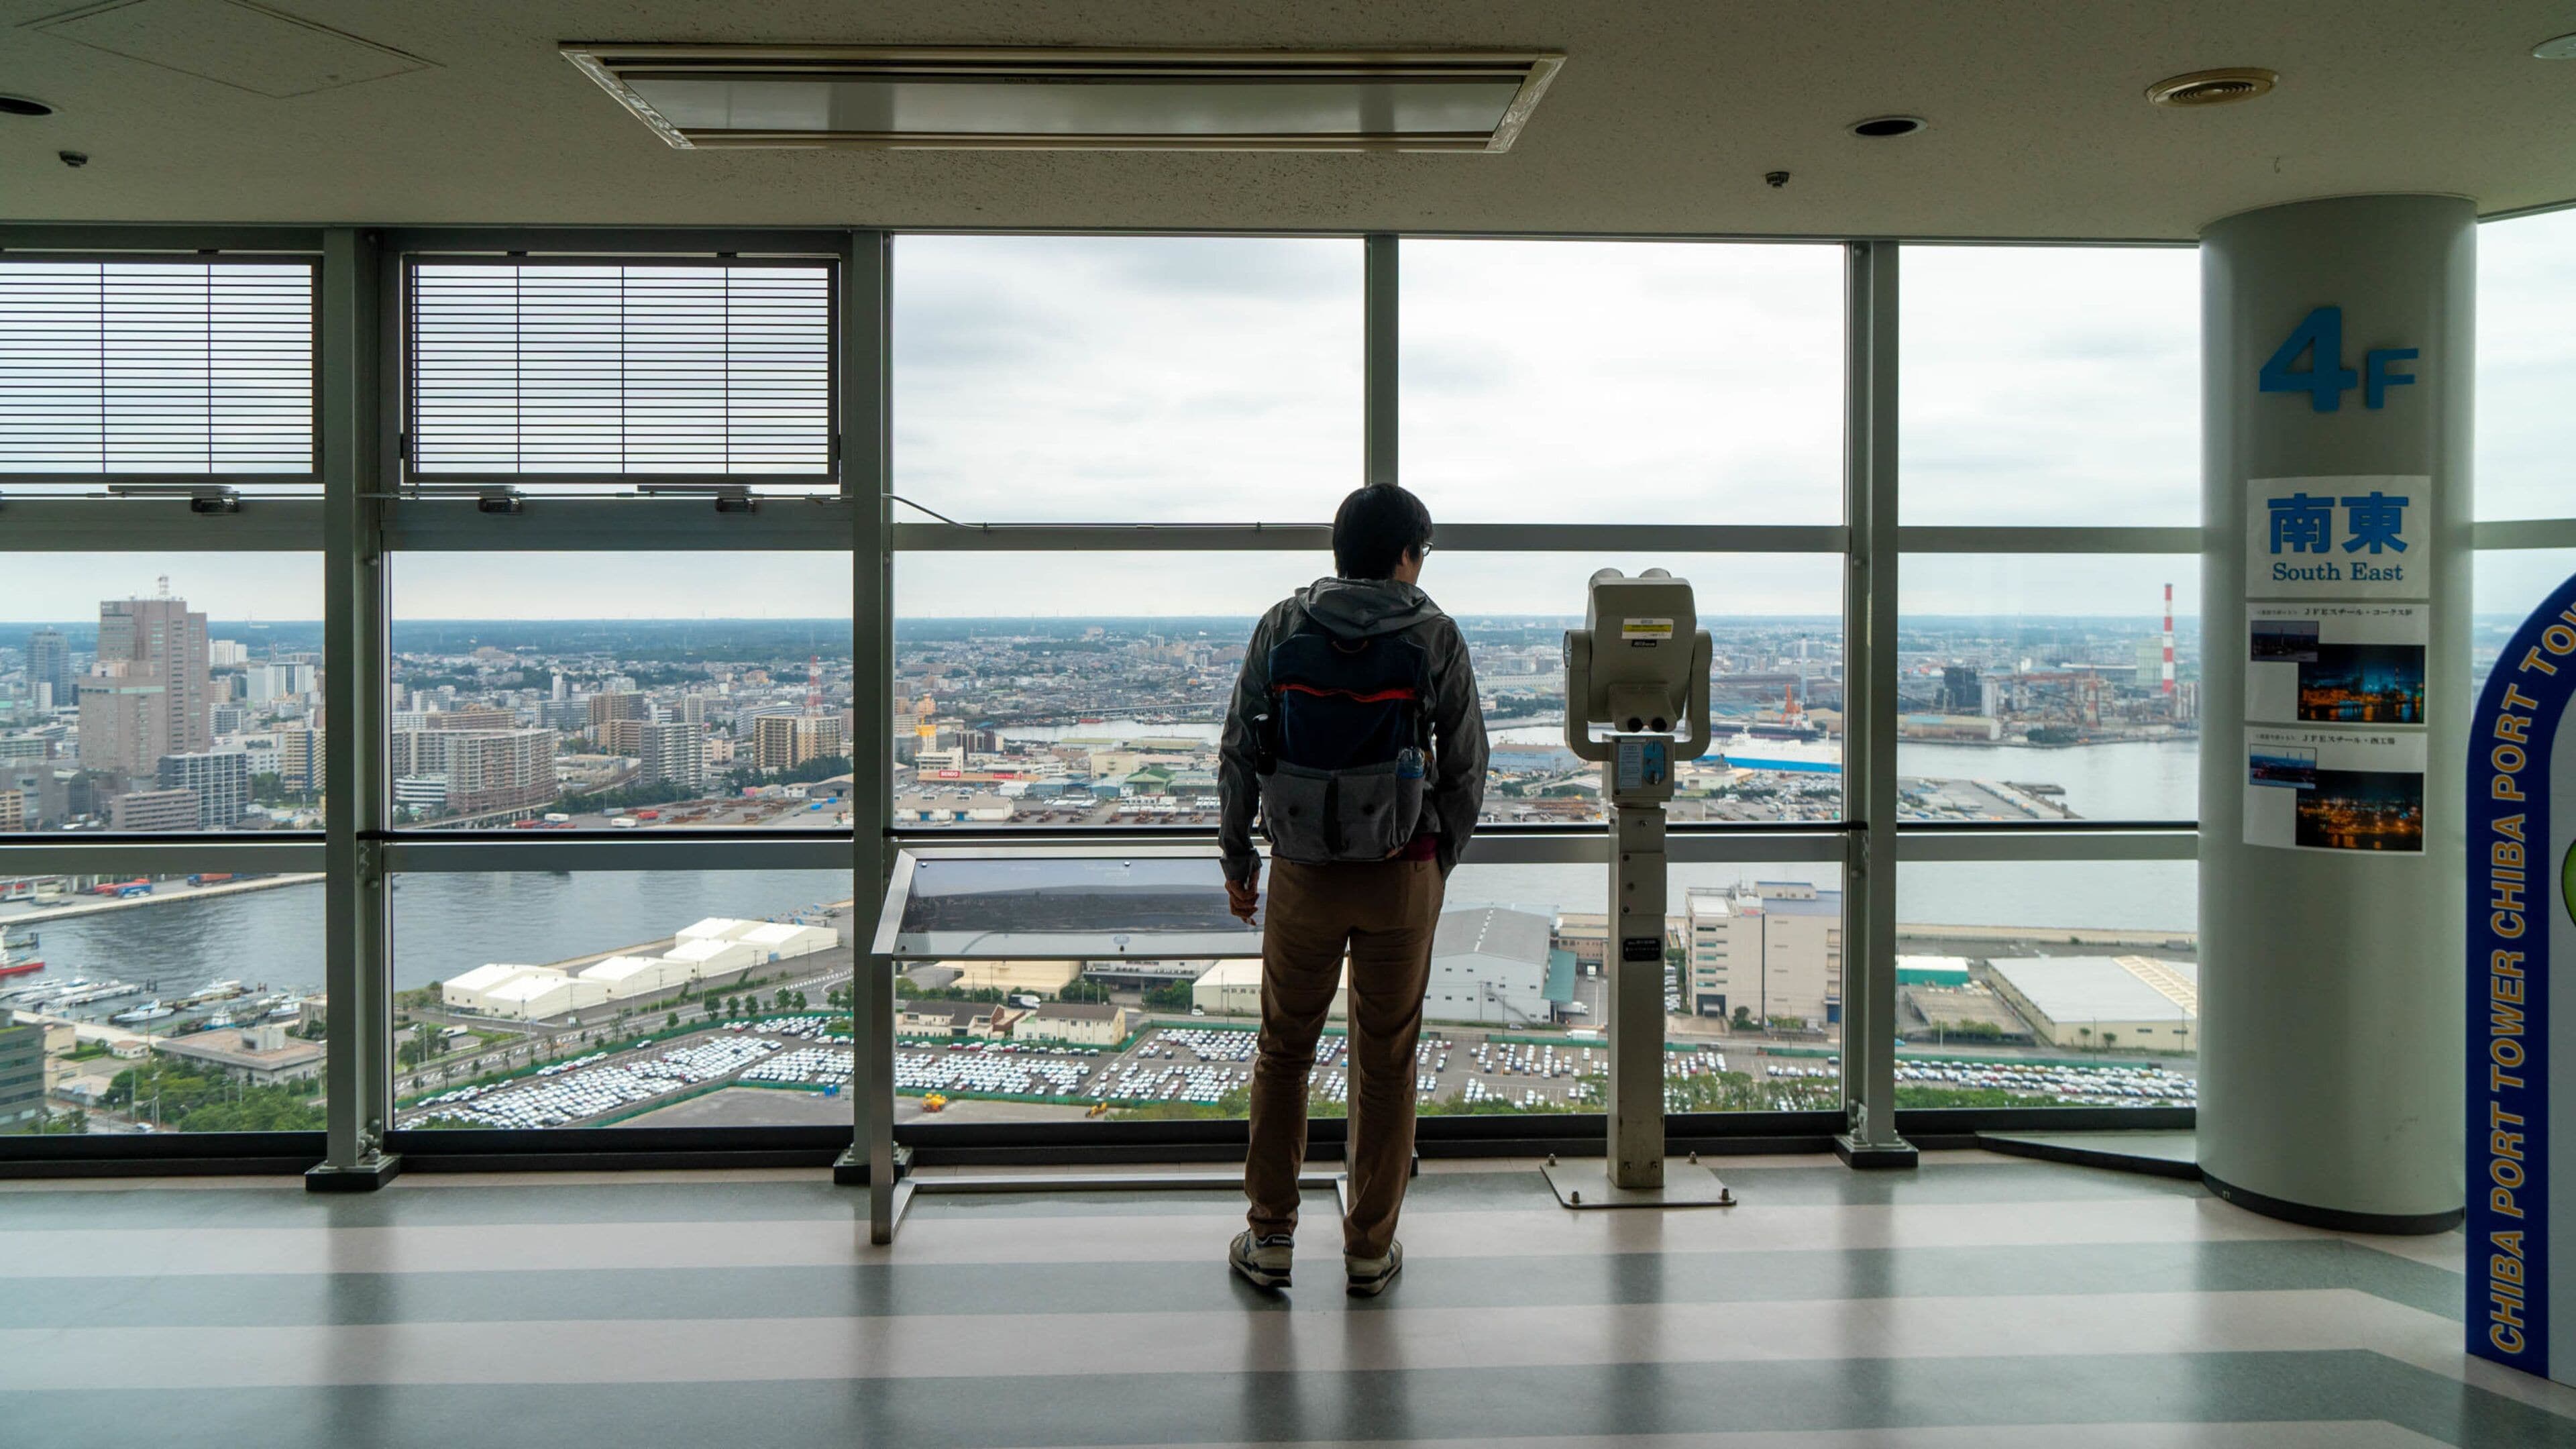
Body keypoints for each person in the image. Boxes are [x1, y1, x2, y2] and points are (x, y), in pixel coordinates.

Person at [1217, 481, 1487, 1297]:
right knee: (1386, 1063)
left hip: (1302, 870)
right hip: (1401, 872)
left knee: (1284, 1053)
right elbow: (1468, 767)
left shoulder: (1282, 624)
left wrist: (1239, 860)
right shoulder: (1434, 633)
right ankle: (1369, 1248)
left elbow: (1237, 749)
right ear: (1408, 554)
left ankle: (1270, 1237)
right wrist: (1434, 864)